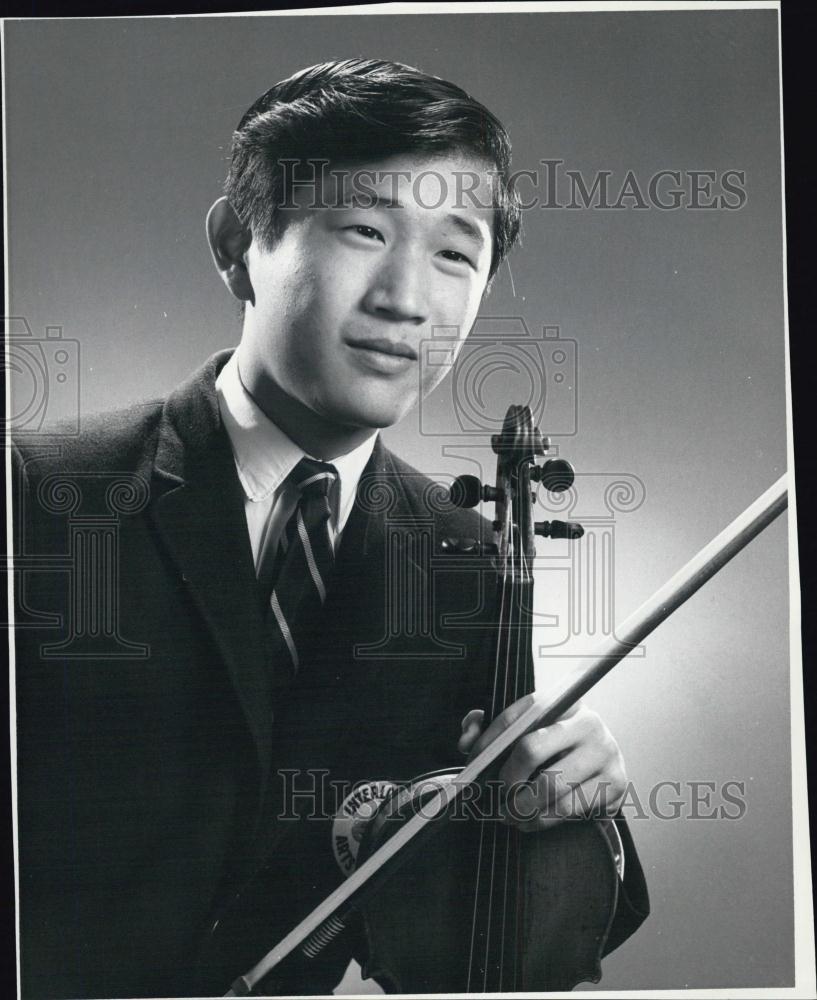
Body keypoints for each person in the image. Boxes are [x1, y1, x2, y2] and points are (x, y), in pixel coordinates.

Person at [12, 58, 648, 999]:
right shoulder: (37, 491)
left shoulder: (462, 560)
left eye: (455, 253)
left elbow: (492, 904)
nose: (406, 296)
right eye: (362, 229)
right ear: (238, 242)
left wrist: (571, 797)